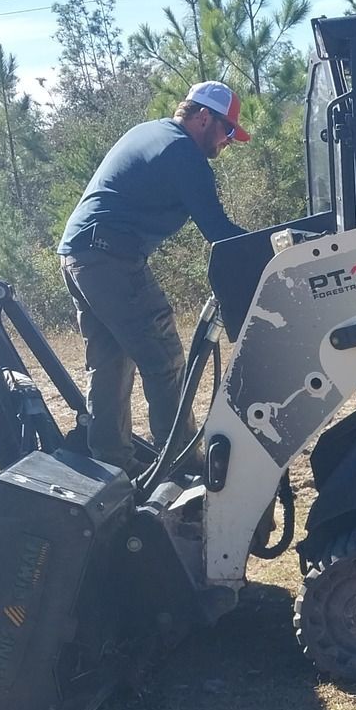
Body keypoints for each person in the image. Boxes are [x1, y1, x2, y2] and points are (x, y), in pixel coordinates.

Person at [57, 80, 250, 471]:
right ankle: (180, 466)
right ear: (202, 118)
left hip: (79, 255)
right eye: (227, 130)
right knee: (164, 358)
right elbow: (218, 232)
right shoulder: (182, 152)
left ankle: (113, 465)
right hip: (110, 258)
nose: (228, 141)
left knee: (110, 363)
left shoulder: (150, 132)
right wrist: (276, 247)